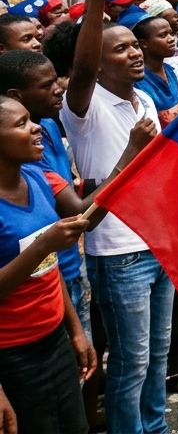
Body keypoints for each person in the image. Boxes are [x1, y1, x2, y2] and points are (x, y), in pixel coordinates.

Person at [58, 0, 178, 432]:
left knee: (158, 355)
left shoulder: (144, 99)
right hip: (119, 252)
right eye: (120, 49)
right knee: (132, 363)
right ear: (98, 62)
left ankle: (156, 427)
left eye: (134, 45)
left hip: (159, 241)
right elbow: (81, 66)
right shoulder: (84, 108)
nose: (133, 54)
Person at [0, 96, 95, 434]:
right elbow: (43, 253)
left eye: (31, 119)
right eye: (21, 124)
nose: (36, 128)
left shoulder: (37, 178)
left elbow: (50, 269)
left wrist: (75, 330)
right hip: (12, 356)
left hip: (54, 339)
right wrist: (43, 245)